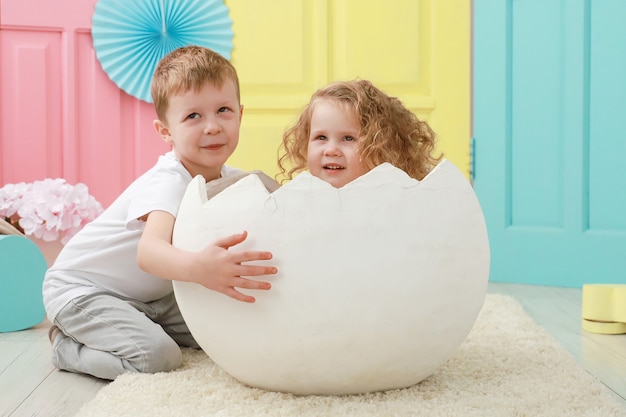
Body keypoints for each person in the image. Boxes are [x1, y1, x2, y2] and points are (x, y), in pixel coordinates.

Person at [42, 45, 277, 381]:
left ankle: (137, 324)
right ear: (165, 131)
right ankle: (67, 348)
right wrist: (200, 268)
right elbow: (149, 253)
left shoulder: (229, 178)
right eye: (193, 116)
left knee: (222, 333)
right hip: (83, 290)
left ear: (240, 114)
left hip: (152, 297)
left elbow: (262, 196)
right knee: (157, 356)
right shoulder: (168, 181)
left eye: (223, 110)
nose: (212, 126)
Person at [278, 79, 442, 188]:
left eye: (348, 138)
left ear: (381, 147)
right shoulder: (299, 203)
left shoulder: (392, 205)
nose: (331, 150)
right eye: (321, 137)